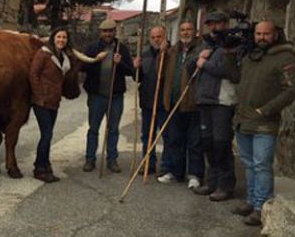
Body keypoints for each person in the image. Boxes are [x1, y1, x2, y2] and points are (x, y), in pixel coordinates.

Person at [232, 20, 295, 226]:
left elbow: (293, 89)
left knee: (262, 164)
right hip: (243, 120)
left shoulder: (286, 58)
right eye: (258, 34)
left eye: (266, 34)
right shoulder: (251, 57)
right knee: (249, 163)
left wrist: (267, 109)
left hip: (265, 123)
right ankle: (252, 201)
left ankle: (262, 206)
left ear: (275, 34)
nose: (261, 37)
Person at [30, 28, 105, 182]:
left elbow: (75, 67)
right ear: (53, 38)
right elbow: (33, 74)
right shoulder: (43, 53)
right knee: (47, 134)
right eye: (59, 36)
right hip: (41, 101)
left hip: (54, 101)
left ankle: (44, 164)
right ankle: (40, 168)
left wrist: (96, 59)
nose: (61, 40)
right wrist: (39, 94)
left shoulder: (64, 56)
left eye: (64, 37)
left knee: (48, 134)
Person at [191, 11, 240, 201]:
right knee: (208, 144)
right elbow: (192, 69)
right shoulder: (207, 45)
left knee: (221, 144)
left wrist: (205, 64)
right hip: (204, 100)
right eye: (210, 24)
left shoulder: (232, 46)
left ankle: (225, 185)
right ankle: (212, 183)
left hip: (222, 101)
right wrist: (198, 60)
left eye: (217, 23)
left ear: (225, 23)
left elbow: (231, 72)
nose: (213, 27)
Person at [81, 19, 135, 173]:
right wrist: (95, 60)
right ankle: (90, 159)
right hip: (97, 95)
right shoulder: (92, 48)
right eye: (105, 31)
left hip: (115, 96)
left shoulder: (122, 49)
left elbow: (130, 71)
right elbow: (83, 67)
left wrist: (120, 64)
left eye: (111, 31)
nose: (108, 34)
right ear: (101, 32)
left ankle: (112, 160)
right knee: (93, 128)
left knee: (113, 129)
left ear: (115, 32)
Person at [158, 21, 205, 188]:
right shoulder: (172, 51)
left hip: (193, 102)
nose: (185, 33)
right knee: (175, 139)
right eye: (183, 30)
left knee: (194, 141)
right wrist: (161, 53)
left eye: (188, 29)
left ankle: (194, 174)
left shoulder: (201, 49)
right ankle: (176, 172)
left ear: (195, 31)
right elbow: (160, 73)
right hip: (173, 102)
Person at [133, 25, 169, 175]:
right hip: (147, 101)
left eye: (159, 36)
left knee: (167, 135)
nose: (156, 39)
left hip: (164, 101)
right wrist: (136, 68)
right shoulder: (145, 54)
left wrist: (163, 53)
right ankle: (148, 162)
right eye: (153, 37)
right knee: (147, 135)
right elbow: (138, 78)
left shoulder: (170, 53)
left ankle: (167, 166)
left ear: (164, 37)